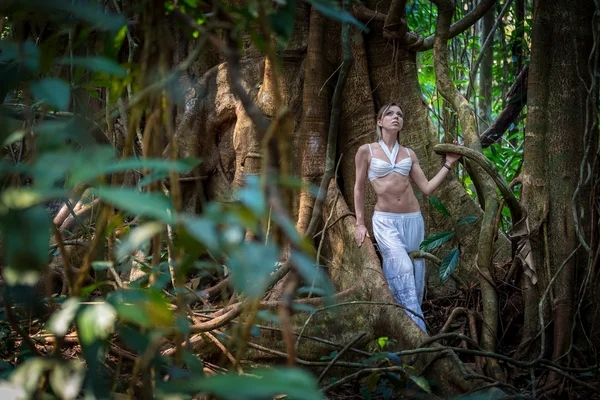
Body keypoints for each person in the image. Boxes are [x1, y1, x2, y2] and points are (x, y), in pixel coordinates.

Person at [353, 103, 461, 333]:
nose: (395, 117)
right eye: (390, 113)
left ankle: (403, 322)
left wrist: (449, 164)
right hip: (385, 221)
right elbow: (359, 188)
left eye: (400, 114)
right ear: (379, 121)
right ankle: (416, 332)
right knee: (400, 268)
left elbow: (427, 188)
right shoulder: (367, 151)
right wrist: (360, 223)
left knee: (415, 272)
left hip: (413, 220)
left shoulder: (409, 154)